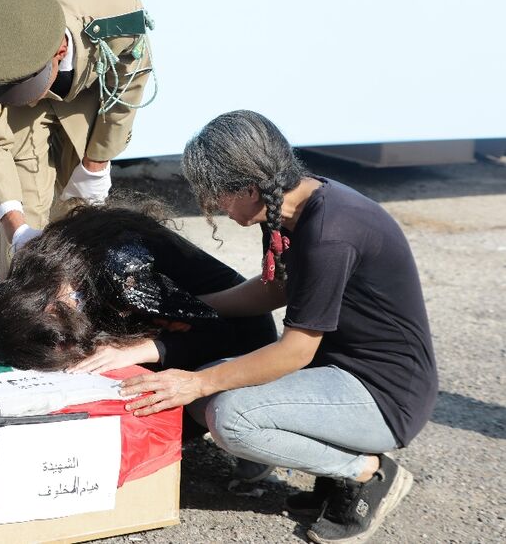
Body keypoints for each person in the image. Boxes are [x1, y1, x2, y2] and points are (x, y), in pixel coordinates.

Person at [116, 110, 437, 543]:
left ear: (250, 188)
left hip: (383, 394)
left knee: (229, 416)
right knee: (203, 400)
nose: (212, 207)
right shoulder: (294, 208)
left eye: (216, 195)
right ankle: (331, 470)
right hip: (338, 373)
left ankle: (368, 472)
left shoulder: (330, 232)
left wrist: (196, 381)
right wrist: (192, 307)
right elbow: (274, 291)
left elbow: (295, 352)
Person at [0, 0, 156, 276]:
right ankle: (20, 307)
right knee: (25, 204)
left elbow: (125, 92)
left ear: (60, 50)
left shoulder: (119, 17)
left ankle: (82, 306)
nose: (31, 100)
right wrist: (17, 227)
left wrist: (95, 164)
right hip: (19, 72)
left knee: (81, 211)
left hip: (89, 81)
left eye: (30, 89)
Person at [0, 200, 277, 375]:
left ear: (46, 307)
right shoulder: (48, 268)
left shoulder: (120, 276)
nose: (65, 348)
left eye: (58, 343)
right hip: (191, 323)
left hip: (244, 339)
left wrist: (144, 350)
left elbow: (220, 333)